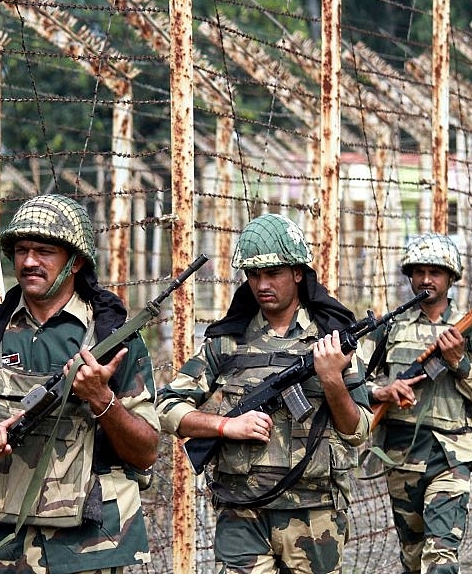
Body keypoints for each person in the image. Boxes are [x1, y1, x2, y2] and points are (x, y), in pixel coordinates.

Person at [0, 194, 160, 573]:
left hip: (91, 548)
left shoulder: (112, 338)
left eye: (45, 251)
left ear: (76, 261)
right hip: (1, 547)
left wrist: (101, 399)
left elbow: (146, 451)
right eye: (21, 250)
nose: (29, 261)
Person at [156, 213, 372, 573]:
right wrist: (226, 427)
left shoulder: (333, 340)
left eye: (272, 273)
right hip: (242, 514)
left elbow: (359, 431)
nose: (262, 284)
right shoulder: (227, 341)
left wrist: (332, 379)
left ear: (298, 273)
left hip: (314, 515)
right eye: (254, 275)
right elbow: (167, 407)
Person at [365, 232, 472, 574]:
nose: (426, 279)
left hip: (451, 455)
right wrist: (384, 390)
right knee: (413, 557)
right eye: (420, 271)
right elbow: (358, 385)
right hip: (401, 455)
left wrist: (459, 363)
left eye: (436, 272)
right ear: (410, 276)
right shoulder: (390, 328)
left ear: (451, 278)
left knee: (441, 559)